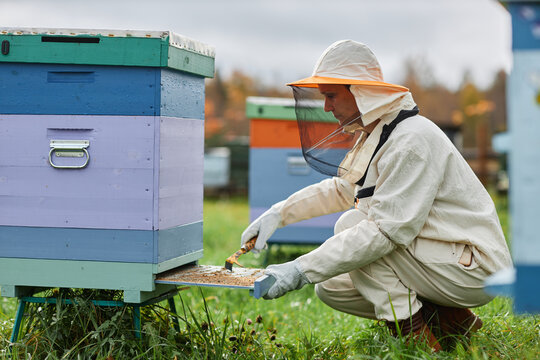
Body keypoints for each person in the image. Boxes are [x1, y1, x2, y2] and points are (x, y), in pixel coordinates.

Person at [241, 40, 512, 352]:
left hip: (474, 267)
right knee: (331, 286)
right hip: (442, 258)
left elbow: (383, 232)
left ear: (360, 92)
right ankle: (454, 322)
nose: (326, 107)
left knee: (353, 228)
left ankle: (415, 341)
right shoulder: (379, 133)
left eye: (330, 95)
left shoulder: (411, 139)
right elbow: (341, 188)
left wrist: (298, 269)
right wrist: (278, 214)